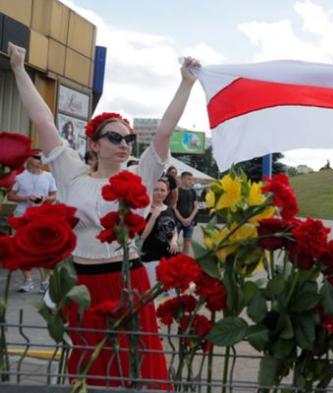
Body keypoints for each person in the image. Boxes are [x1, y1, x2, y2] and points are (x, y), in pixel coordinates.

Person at [8, 41, 199, 388]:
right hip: (81, 282)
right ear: (94, 144)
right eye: (114, 137)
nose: (124, 143)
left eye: (127, 137)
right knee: (87, 354)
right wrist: (20, 68)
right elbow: (43, 120)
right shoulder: (70, 173)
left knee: (138, 355)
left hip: (128, 278)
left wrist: (186, 82)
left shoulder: (140, 173)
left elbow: (165, 129)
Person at [7, 149, 57, 293]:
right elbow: (10, 196)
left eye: (43, 158)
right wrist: (26, 198)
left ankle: (45, 282)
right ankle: (28, 281)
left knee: (42, 249)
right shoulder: (20, 177)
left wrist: (45, 198)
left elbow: (54, 195)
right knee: (21, 248)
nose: (40, 160)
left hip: (40, 216)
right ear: (28, 158)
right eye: (37, 157)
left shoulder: (48, 176)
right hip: (21, 216)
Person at [141, 178, 179, 286]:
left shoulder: (169, 209)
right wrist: (153, 217)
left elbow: (174, 229)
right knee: (152, 289)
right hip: (152, 257)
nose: (159, 192)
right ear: (150, 191)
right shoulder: (144, 211)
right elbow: (142, 236)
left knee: (171, 288)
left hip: (170, 256)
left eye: (162, 190)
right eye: (156, 189)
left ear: (167, 193)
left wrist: (174, 241)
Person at [174, 171, 198, 256]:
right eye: (189, 179)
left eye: (191, 179)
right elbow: (174, 207)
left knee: (187, 243)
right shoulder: (177, 191)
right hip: (177, 221)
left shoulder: (193, 192)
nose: (191, 181)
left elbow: (196, 207)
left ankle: (184, 261)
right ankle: (173, 260)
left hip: (190, 222)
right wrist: (181, 219)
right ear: (183, 179)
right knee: (174, 242)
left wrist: (190, 218)